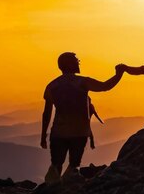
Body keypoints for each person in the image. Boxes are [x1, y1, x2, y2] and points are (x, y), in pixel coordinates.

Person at [40, 52, 123, 181]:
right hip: (79, 132)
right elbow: (105, 86)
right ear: (69, 64)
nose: (78, 62)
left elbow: (47, 113)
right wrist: (119, 74)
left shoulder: (52, 86)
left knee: (56, 165)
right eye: (75, 60)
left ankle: (52, 187)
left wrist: (43, 135)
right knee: (74, 166)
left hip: (58, 132)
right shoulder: (82, 82)